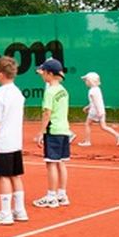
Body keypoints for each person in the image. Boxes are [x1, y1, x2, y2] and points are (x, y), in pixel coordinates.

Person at [0, 56, 29, 226]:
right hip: (15, 141)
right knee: (15, 175)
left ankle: (5, 213)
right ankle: (19, 210)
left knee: (3, 176)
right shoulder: (18, 93)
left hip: (2, 142)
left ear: (2, 74)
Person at [32, 59, 72, 208]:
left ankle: (51, 196)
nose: (41, 75)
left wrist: (41, 132)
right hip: (64, 130)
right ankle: (62, 195)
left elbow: (47, 113)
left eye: (43, 72)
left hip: (53, 130)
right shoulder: (63, 90)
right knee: (61, 162)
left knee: (51, 163)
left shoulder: (49, 91)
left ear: (49, 73)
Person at [77, 72, 119, 147]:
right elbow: (95, 102)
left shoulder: (92, 91)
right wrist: (88, 107)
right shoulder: (97, 89)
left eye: (86, 80)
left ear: (90, 81)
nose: (85, 82)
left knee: (87, 124)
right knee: (103, 126)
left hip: (95, 111)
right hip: (101, 110)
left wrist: (98, 112)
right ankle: (118, 135)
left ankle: (87, 141)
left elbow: (95, 103)